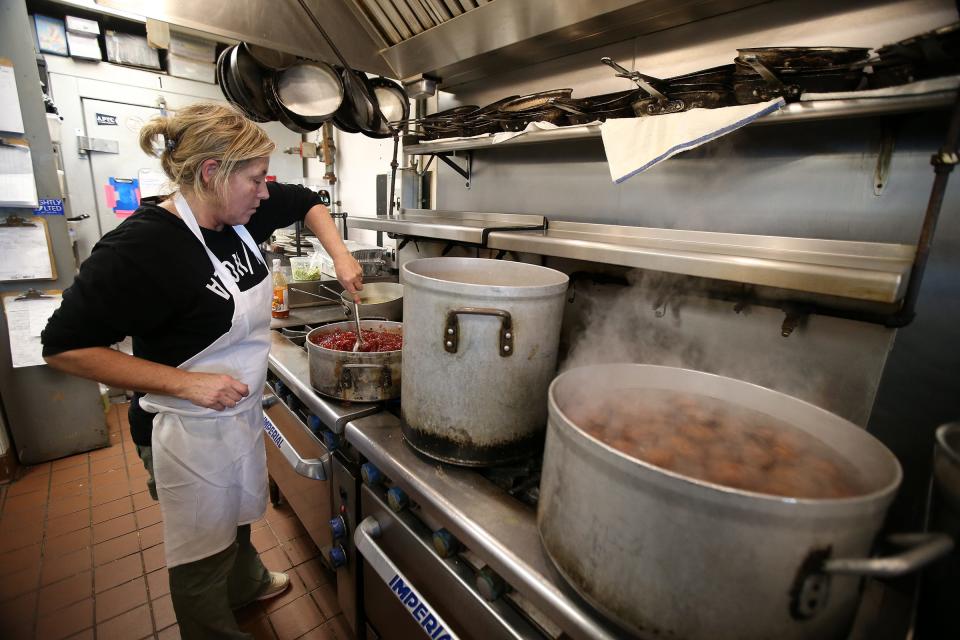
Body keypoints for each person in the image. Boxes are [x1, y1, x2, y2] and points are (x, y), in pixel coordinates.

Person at [41, 103, 363, 639]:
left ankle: (247, 583)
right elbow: (63, 346)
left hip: (232, 413)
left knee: (236, 513)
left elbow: (308, 202)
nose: (265, 193)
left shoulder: (238, 212)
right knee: (198, 552)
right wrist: (187, 383)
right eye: (256, 180)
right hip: (181, 428)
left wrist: (341, 254)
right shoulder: (141, 247)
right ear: (212, 172)